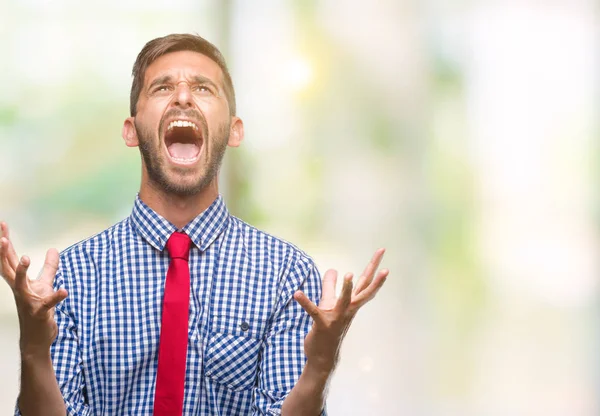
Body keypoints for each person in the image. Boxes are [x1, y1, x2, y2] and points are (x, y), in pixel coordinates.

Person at [0, 33, 388, 416]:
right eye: (162, 87)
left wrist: (319, 366)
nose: (183, 97)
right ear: (131, 130)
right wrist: (33, 348)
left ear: (234, 130)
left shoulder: (287, 276)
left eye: (203, 88)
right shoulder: (72, 278)